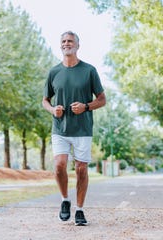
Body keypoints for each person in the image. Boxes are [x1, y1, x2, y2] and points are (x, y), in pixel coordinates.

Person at [42, 31, 106, 226]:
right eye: (63, 41)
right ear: (60, 46)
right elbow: (45, 101)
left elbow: (102, 100)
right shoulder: (54, 72)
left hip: (82, 129)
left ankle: (79, 209)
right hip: (60, 128)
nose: (66, 44)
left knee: (81, 169)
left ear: (78, 45)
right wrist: (53, 110)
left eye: (70, 41)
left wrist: (85, 107)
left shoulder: (89, 70)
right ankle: (64, 200)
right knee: (60, 165)